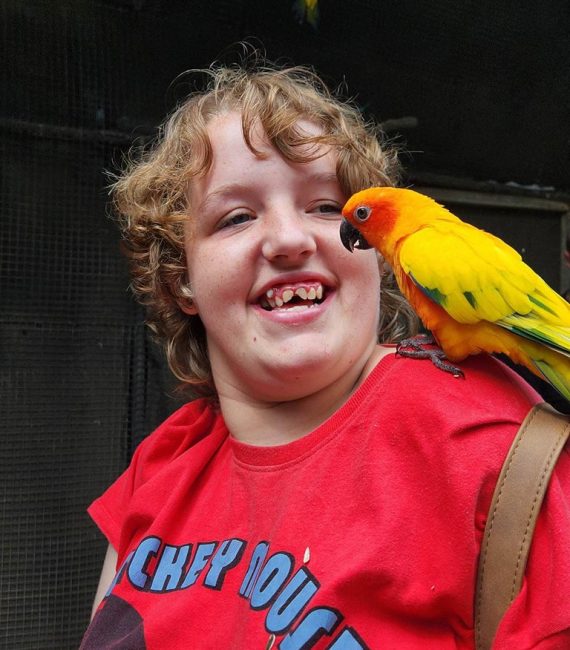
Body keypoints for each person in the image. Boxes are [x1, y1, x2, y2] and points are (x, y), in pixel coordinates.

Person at [81, 61, 570, 649]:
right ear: (180, 279)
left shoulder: (500, 452)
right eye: (237, 216)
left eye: (325, 208)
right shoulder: (159, 471)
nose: (291, 240)